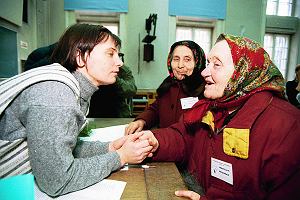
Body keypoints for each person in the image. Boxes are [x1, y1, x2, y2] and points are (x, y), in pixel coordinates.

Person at [139, 34, 300, 199]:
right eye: (208, 63)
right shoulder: (213, 106)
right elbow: (185, 137)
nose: (204, 72)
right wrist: (155, 140)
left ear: (243, 72)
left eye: (216, 65)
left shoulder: (289, 127)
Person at [0, 23, 153, 197]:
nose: (119, 62)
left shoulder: (71, 87)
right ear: (80, 57)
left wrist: (110, 147)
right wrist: (120, 157)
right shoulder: (55, 94)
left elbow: (64, 147)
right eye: (110, 54)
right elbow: (57, 181)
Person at [24, 44, 137, 118]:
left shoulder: (122, 68)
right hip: (89, 115)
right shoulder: (59, 57)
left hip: (115, 114)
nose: (117, 61)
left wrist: (112, 77)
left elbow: (131, 89)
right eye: (110, 54)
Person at [125, 40, 206, 134]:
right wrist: (142, 121)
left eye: (187, 59)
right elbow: (155, 109)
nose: (180, 65)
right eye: (176, 59)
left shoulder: (205, 89)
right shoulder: (168, 84)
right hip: (163, 142)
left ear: (198, 62)